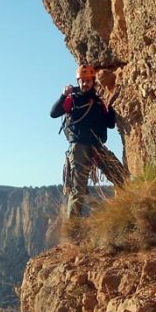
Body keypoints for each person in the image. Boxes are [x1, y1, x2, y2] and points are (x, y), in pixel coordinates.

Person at [50, 64, 127, 218]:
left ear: (93, 82)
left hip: (97, 146)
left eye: (88, 81)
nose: (85, 84)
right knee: (78, 190)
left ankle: (124, 212)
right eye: (82, 81)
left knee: (121, 176)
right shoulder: (72, 99)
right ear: (78, 82)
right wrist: (63, 96)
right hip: (79, 147)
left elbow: (110, 124)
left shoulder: (99, 102)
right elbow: (54, 113)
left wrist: (110, 106)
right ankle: (72, 230)